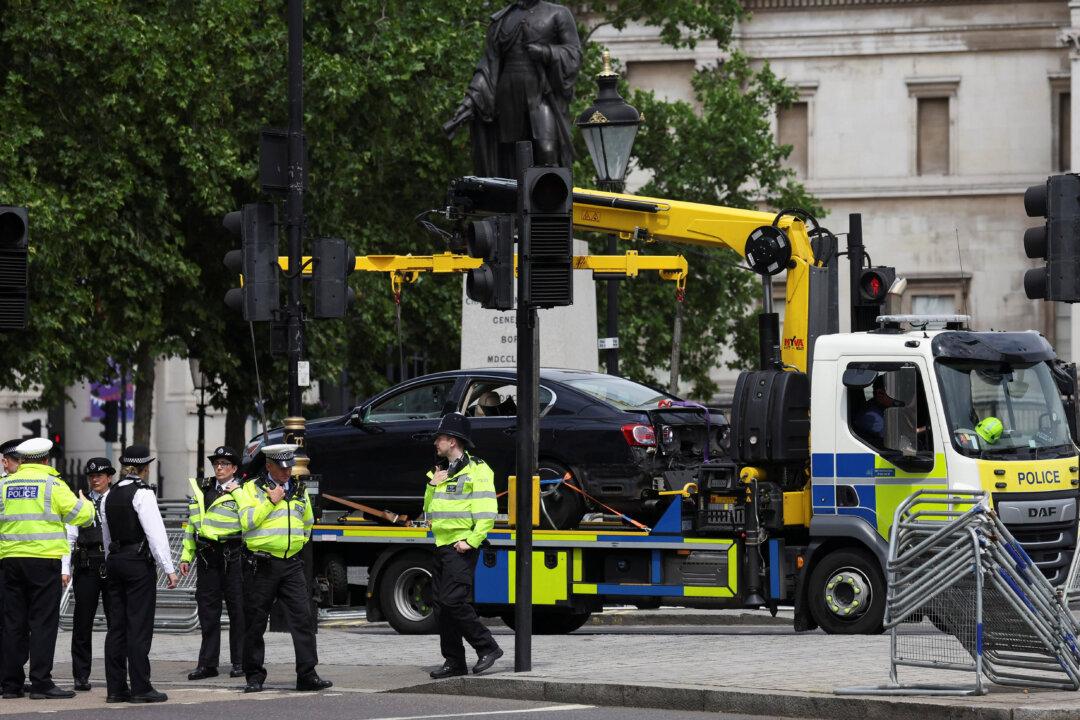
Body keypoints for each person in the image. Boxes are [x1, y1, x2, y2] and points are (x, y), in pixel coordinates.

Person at [0, 437, 94, 700]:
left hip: (9, 561)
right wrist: (86, 502)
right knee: (42, 623)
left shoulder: (4, 484)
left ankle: (10, 685)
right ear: (45, 459)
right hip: (43, 562)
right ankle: (41, 683)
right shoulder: (53, 484)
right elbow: (82, 515)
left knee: (12, 623)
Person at [444, 0, 582, 177]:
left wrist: (546, 52)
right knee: (512, 162)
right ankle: (514, 203)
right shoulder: (502, 19)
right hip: (507, 97)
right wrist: (470, 99)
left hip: (540, 93)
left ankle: (549, 203)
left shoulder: (558, 13)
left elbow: (574, 55)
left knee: (547, 150)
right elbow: (488, 66)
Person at [238, 444, 331, 694]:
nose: (287, 472)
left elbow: (308, 523)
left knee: (303, 619)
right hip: (262, 564)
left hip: (291, 564)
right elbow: (245, 522)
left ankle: (307, 674)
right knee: (256, 622)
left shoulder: (299, 490)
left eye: (289, 467)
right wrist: (270, 501)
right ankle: (254, 676)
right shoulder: (251, 489)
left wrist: (297, 545)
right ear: (269, 466)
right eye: (281, 468)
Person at [425, 412, 503, 679]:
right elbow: (429, 509)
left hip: (462, 546)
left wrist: (471, 541)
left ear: (453, 441)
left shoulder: (478, 470)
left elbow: (487, 511)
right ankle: (454, 661)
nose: (436, 442)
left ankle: (488, 647)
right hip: (442, 544)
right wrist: (432, 485)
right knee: (440, 606)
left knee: (453, 600)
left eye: (440, 438)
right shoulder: (440, 471)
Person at [100, 446, 177, 704]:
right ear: (145, 468)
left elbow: (107, 535)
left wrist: (112, 558)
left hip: (115, 561)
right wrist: (168, 567)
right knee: (139, 626)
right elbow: (155, 533)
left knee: (117, 627)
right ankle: (141, 687)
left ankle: (116, 688)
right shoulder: (142, 493)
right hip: (136, 563)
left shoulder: (109, 495)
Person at [179, 445, 246, 681]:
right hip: (207, 555)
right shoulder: (202, 488)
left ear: (234, 468)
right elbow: (192, 526)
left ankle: (240, 662)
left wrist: (237, 492)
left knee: (238, 611)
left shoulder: (243, 490)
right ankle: (208, 664)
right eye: (217, 464)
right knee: (208, 612)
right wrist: (186, 556)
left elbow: (251, 519)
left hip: (233, 554)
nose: (219, 467)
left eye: (225, 464)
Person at [61, 458, 115, 692]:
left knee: (117, 621)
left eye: (100, 475)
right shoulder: (80, 502)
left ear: (109, 477)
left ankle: (117, 672)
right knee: (82, 623)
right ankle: (80, 675)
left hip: (112, 563)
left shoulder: (116, 499)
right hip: (86, 565)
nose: (95, 479)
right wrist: (65, 568)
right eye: (92, 476)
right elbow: (70, 536)